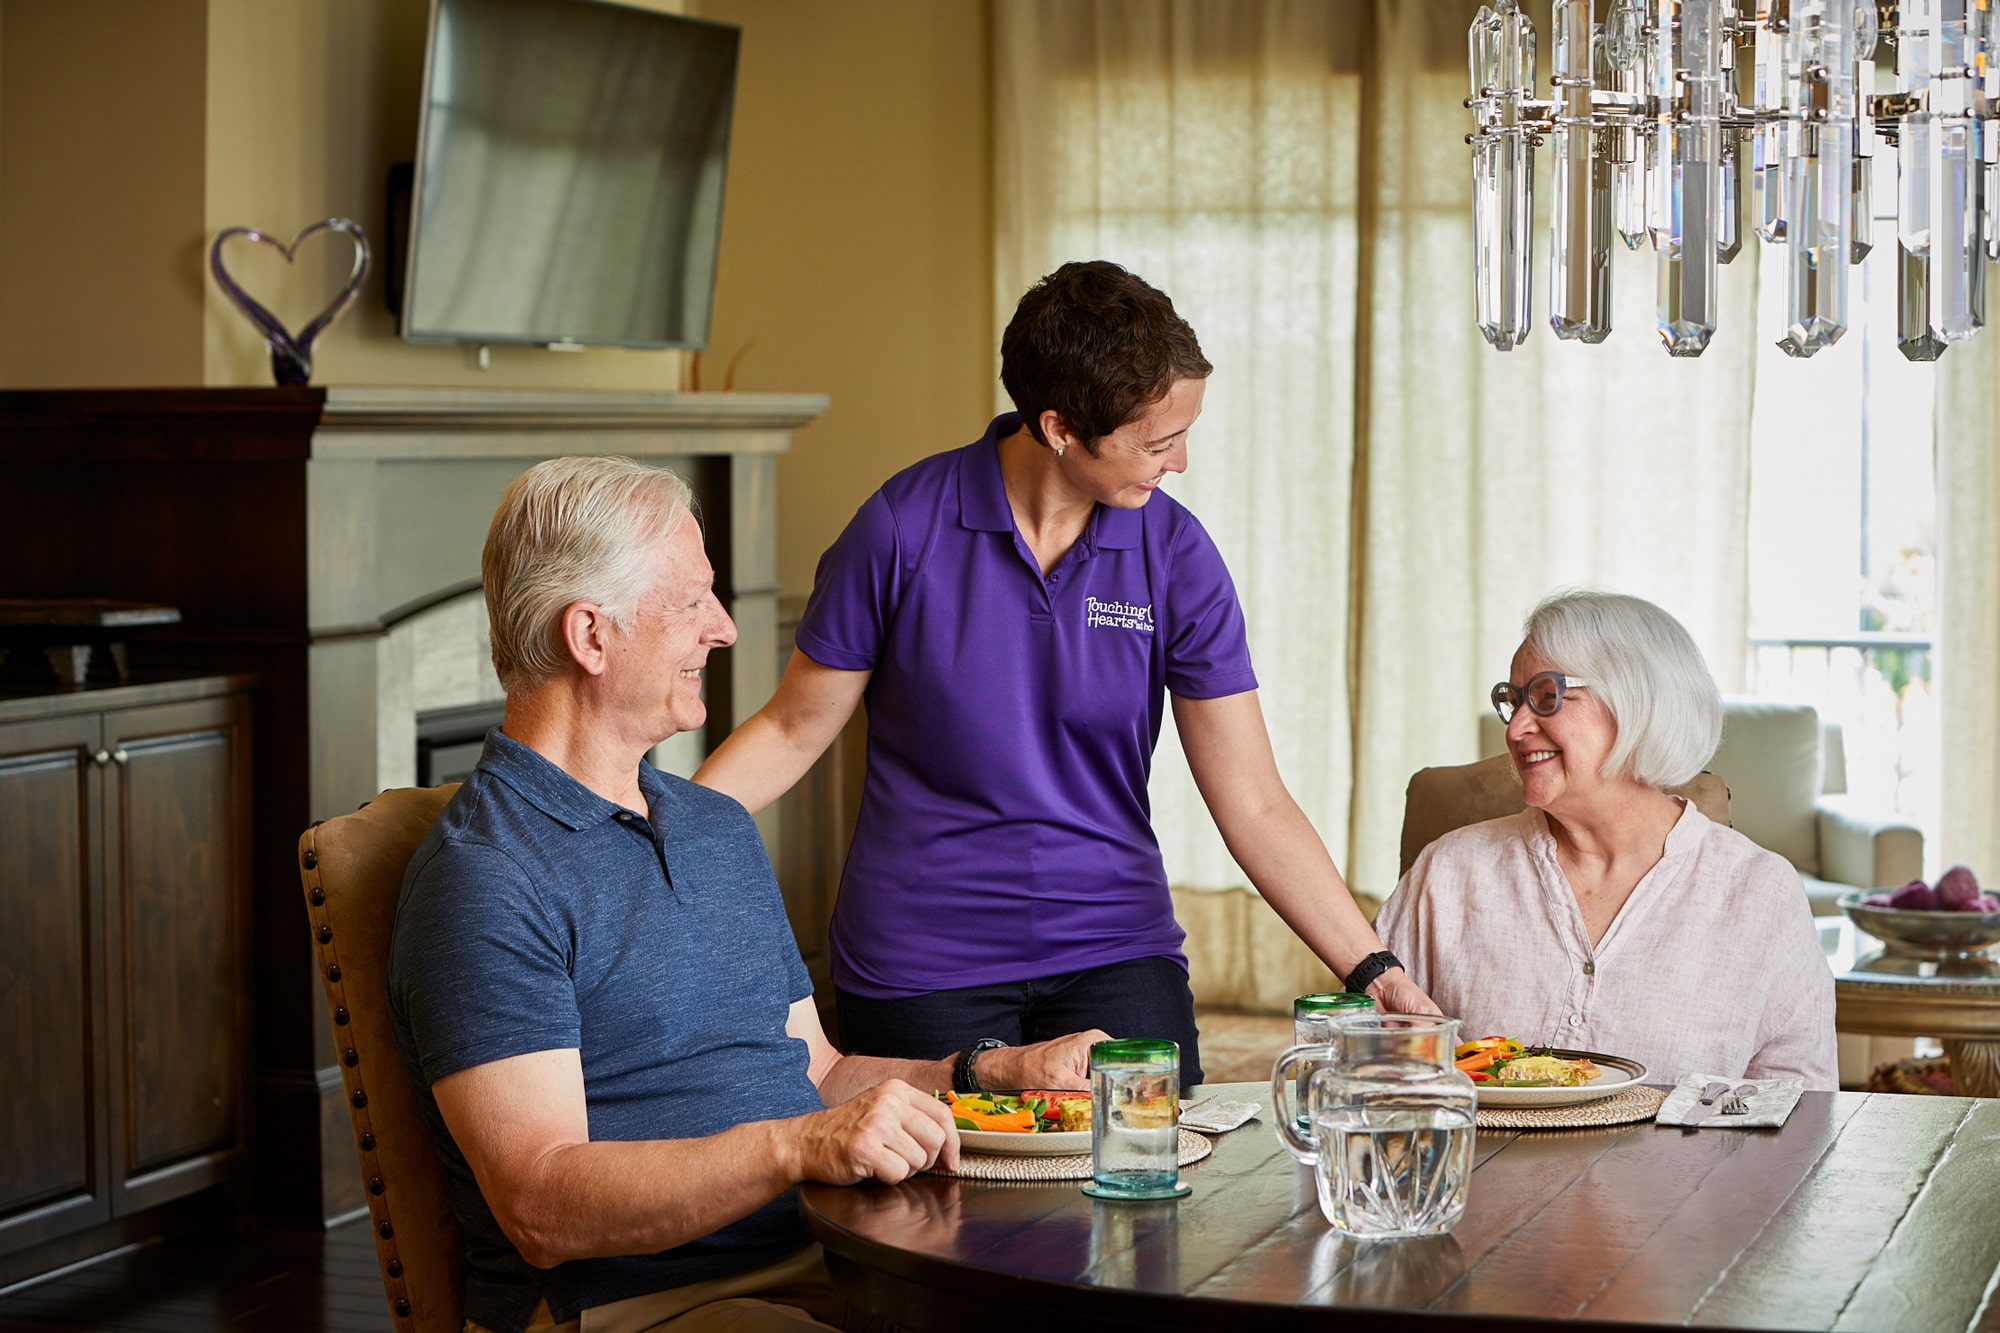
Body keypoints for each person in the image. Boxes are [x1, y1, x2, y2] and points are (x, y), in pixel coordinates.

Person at [386, 457, 1104, 1333]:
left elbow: (822, 1072)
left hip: (837, 1251)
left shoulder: (711, 826)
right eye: (692, 602)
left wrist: (992, 1071)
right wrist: (797, 1146)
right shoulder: (487, 876)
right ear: (591, 635)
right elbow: (542, 1206)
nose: (723, 629)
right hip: (640, 1305)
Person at [694, 260, 1436, 1088]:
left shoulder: (1174, 554)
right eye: (1158, 442)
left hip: (1115, 947)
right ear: (1058, 427)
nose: (1182, 460)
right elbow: (792, 729)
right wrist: (654, 836)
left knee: (1151, 1185)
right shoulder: (902, 529)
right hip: (923, 961)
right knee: (935, 1206)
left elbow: (1253, 800)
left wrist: (1375, 969)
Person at [1376, 590, 1838, 1089]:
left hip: (1689, 1170)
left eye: (1547, 696)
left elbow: (1800, 1108)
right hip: (1478, 1168)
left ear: (1637, 703)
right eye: (1513, 702)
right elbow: (1357, 1055)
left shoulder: (1759, 892)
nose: (1516, 729)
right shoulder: (1448, 872)